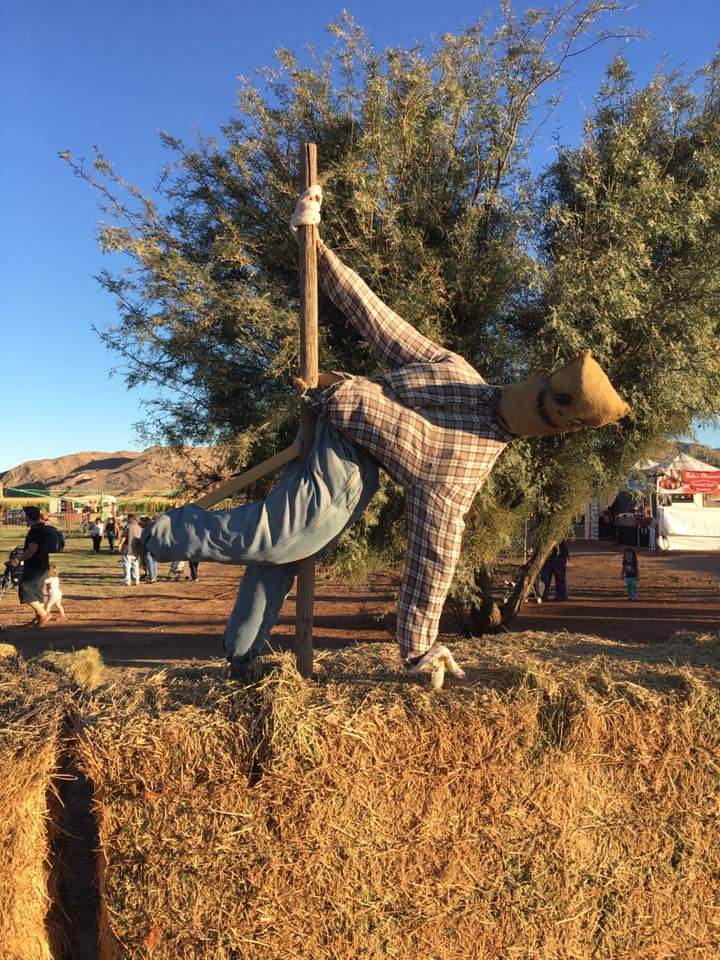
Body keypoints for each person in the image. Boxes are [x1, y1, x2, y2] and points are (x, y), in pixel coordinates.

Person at [143, 187, 630, 688]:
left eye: (553, 408)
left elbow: (435, 555)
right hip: (329, 416)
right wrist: (313, 243)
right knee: (288, 536)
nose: (539, 404)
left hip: (353, 458)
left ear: (557, 426)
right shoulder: (458, 372)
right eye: (546, 394)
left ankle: (241, 659)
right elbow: (378, 320)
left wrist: (419, 647)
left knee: (287, 548)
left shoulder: (465, 470)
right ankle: (159, 537)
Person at [10, 506, 53, 626]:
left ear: (29, 517)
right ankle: (38, 619)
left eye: (25, 516)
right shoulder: (41, 528)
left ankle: (44, 614)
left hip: (35, 567)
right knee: (36, 591)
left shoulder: (35, 531)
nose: (24, 518)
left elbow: (32, 550)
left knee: (25, 590)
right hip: (43, 565)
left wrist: (18, 560)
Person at [119, 514, 143, 586]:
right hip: (136, 549)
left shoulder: (128, 526)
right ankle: (136, 580)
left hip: (127, 548)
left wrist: (120, 544)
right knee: (135, 565)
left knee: (127, 565)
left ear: (130, 519)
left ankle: (127, 581)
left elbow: (124, 536)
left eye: (127, 518)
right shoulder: (139, 527)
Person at [139, 517, 158, 582]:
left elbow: (143, 540)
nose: (142, 523)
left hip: (147, 549)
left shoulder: (146, 531)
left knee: (150, 564)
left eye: (143, 522)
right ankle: (154, 577)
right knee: (154, 564)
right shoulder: (155, 530)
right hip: (155, 549)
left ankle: (152, 578)